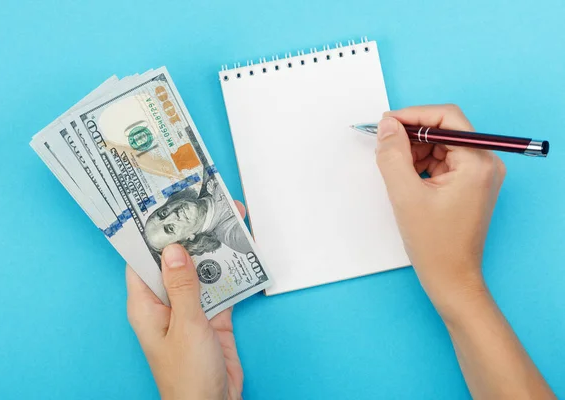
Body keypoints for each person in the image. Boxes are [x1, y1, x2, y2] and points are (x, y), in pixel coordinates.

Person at [126, 105, 556, 399]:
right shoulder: (234, 237)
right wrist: (458, 284)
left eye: (163, 215)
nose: (172, 217)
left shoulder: (196, 181)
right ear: (190, 245)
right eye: (167, 231)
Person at [144, 175, 252, 258]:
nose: (173, 214)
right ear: (188, 239)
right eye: (171, 228)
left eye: (163, 213)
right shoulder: (233, 236)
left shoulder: (205, 173)